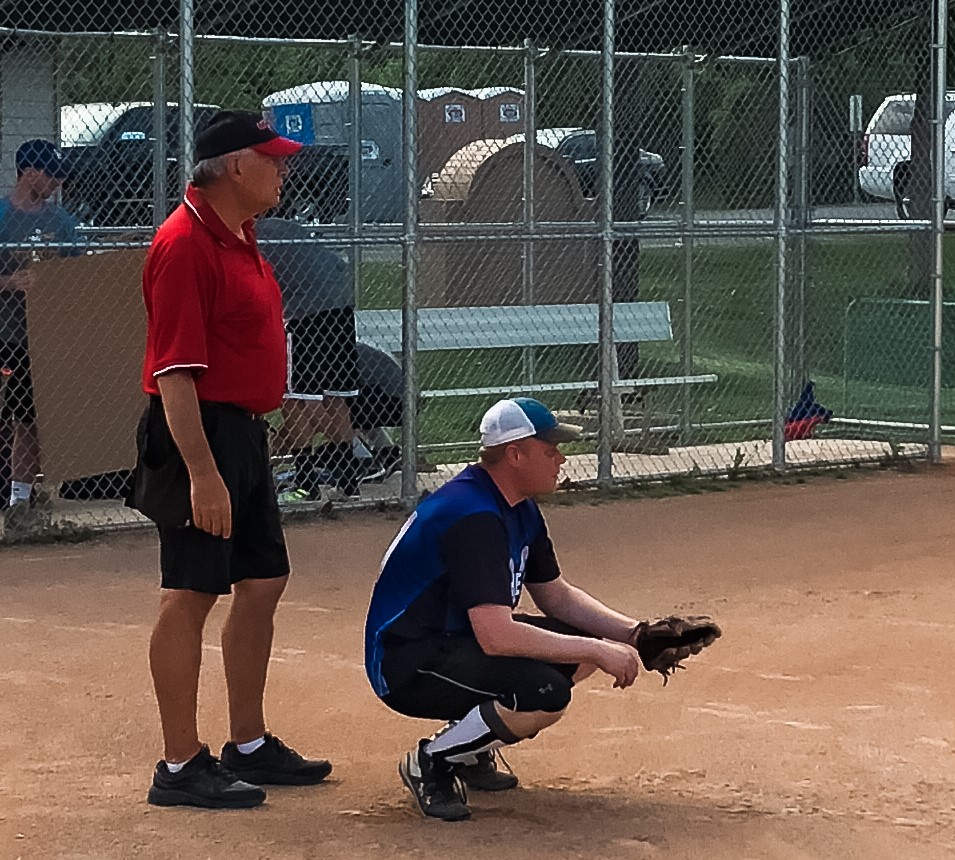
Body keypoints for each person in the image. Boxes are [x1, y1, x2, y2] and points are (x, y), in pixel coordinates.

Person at [129, 111, 331, 809]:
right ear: (235, 167)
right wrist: (202, 473)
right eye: (274, 160)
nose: (284, 171)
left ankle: (247, 742)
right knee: (191, 593)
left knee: (264, 578)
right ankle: (180, 764)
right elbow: (175, 374)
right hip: (199, 435)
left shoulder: (240, 237)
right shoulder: (183, 243)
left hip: (241, 431)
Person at [364, 397, 648, 822]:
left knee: (579, 649)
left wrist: (633, 634)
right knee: (545, 693)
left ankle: (470, 744)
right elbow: (496, 636)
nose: (560, 458)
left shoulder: (516, 506)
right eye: (549, 449)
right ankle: (433, 762)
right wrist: (597, 652)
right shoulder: (473, 515)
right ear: (515, 454)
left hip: (453, 643)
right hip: (407, 661)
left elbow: (557, 596)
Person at [0, 139, 80, 535]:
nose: (57, 183)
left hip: (39, 338)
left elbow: (77, 273)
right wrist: (11, 282)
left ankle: (19, 504)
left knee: (30, 423)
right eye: (50, 175)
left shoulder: (62, 222)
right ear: (28, 173)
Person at [253, 216, 367, 502]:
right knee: (334, 397)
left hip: (305, 316)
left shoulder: (250, 236)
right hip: (340, 311)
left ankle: (305, 484)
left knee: (295, 399)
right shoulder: (284, 227)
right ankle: (348, 482)